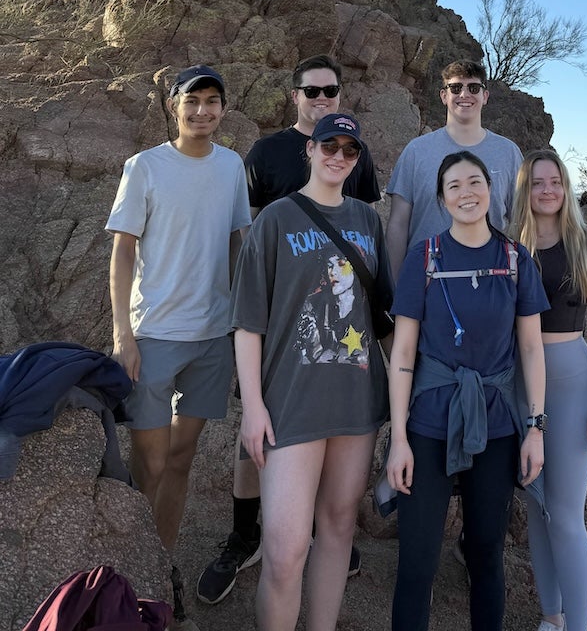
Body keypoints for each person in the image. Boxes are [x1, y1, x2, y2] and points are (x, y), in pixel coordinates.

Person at [197, 54, 379, 604]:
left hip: (342, 366)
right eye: (312, 91)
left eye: (330, 92)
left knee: (329, 510)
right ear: (295, 95)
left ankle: (320, 540)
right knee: (256, 442)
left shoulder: (357, 177)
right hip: (278, 329)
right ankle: (245, 534)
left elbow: (365, 260)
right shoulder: (267, 155)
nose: (321, 100)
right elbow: (244, 231)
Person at [231, 112, 391, 631]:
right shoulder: (275, 220)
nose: (338, 156)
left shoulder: (368, 222)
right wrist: (252, 408)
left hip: (355, 401)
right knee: (284, 549)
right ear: (311, 149)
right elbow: (248, 323)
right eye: (330, 146)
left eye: (349, 150)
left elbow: (383, 316)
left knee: (339, 527)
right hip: (290, 403)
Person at [106, 64, 251, 621]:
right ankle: (133, 570)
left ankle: (159, 568)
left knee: (182, 456)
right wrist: (124, 333)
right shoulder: (145, 167)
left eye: (213, 101)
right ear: (174, 107)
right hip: (155, 334)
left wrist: (244, 325)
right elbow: (122, 250)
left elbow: (239, 244)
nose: (202, 112)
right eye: (192, 102)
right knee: (150, 458)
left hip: (213, 337)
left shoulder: (232, 166)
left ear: (222, 108)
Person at [387, 151, 548, 631]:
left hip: (497, 426)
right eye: (454, 185)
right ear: (441, 198)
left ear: (491, 190)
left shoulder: (516, 260)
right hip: (428, 423)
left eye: (475, 182)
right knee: (417, 560)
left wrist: (535, 429)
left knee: (486, 556)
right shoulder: (426, 257)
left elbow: (532, 351)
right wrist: (398, 439)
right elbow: (403, 353)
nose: (466, 193)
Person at [510, 150, 587, 631]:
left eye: (555, 181)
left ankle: (577, 627)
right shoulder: (511, 243)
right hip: (520, 380)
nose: (548, 190)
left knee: (565, 512)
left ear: (566, 186)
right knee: (537, 507)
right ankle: (551, 619)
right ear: (525, 191)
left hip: (574, 381)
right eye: (538, 183)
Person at [386, 59, 522, 278]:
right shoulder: (416, 151)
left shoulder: (509, 153)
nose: (464, 94)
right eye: (456, 88)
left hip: (489, 282)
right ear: (443, 96)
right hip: (425, 283)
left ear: (485, 96)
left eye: (474, 88)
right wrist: (393, 286)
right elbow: (398, 224)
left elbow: (521, 222)